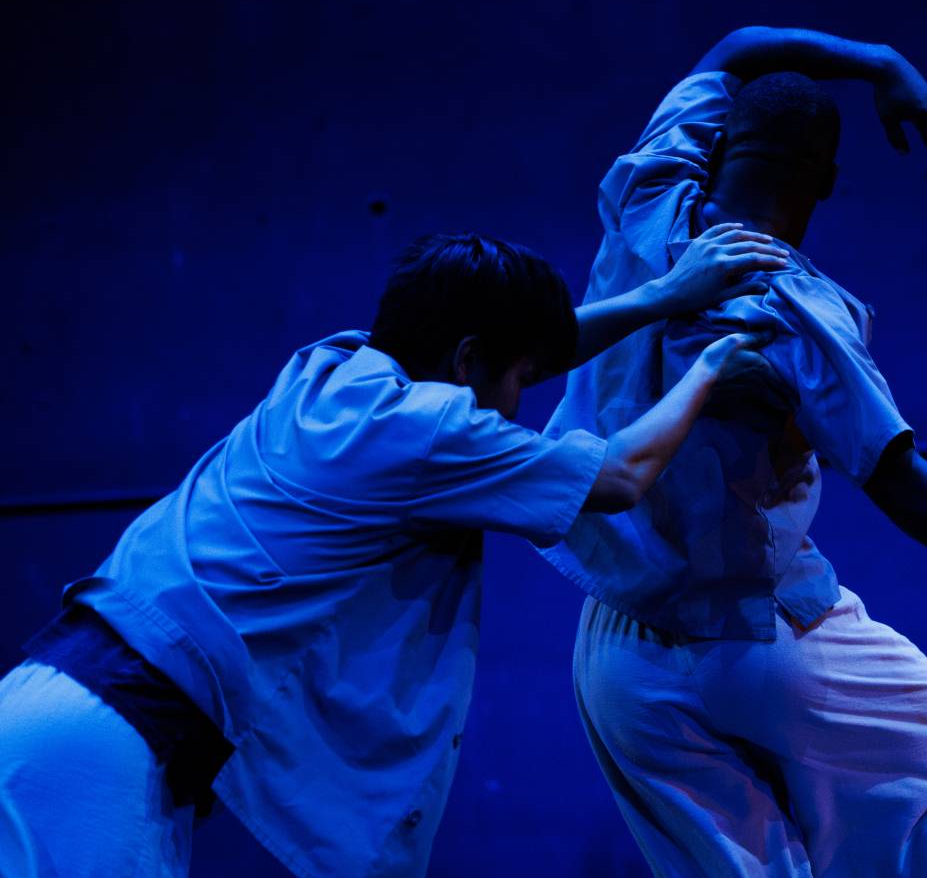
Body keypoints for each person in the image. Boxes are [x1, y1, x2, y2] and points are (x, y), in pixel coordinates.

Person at [541, 26, 927, 877]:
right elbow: (901, 482)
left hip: (618, 655)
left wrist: (878, 62)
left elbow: (734, 50)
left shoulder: (648, 196)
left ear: (719, 142)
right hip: (759, 633)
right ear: (825, 182)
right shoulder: (801, 311)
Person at [0, 226, 790, 878]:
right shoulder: (426, 429)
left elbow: (530, 349)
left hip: (43, 704)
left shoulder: (332, 367)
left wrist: (664, 296)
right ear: (466, 362)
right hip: (104, 750)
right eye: (519, 380)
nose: (521, 403)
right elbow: (618, 476)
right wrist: (710, 368)